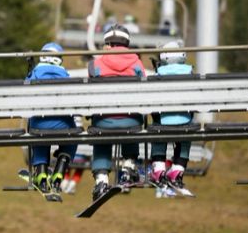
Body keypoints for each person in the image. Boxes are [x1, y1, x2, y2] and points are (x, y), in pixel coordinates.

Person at [88, 24, 147, 201]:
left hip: (104, 121)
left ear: (108, 43)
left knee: (101, 137)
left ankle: (101, 179)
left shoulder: (96, 64)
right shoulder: (137, 63)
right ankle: (128, 166)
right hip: (131, 120)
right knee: (131, 126)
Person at [26, 42, 77, 194]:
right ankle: (61, 168)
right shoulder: (65, 75)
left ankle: (41, 172)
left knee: (38, 132)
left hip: (39, 125)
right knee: (72, 134)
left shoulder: (35, 73)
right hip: (64, 125)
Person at [149, 40, 194, 196]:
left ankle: (158, 168)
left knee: (158, 133)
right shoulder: (190, 73)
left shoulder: (158, 75)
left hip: (162, 121)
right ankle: (177, 170)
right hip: (185, 120)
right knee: (185, 138)